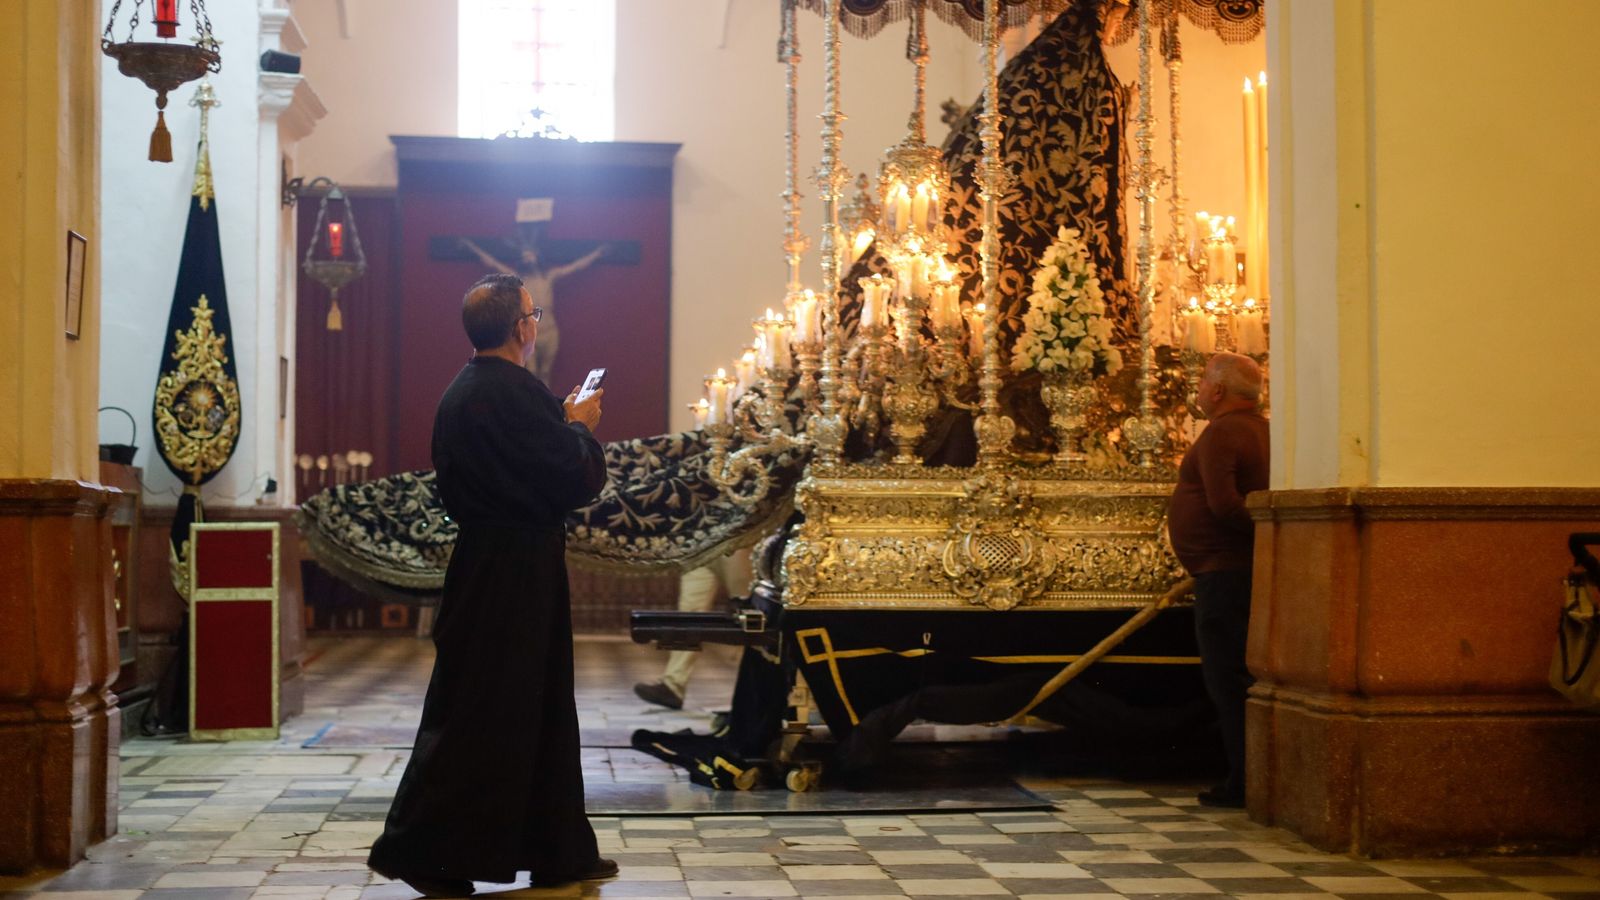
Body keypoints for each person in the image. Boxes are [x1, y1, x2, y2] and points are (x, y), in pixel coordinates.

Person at [367, 273, 616, 897]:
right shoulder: (516, 393)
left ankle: (558, 851)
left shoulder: (464, 391)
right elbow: (574, 477)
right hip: (519, 572)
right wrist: (581, 426)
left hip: (484, 564)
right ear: (522, 328)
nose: (537, 321)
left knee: (516, 708)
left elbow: (511, 459)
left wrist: (556, 420)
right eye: (535, 312)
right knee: (491, 711)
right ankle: (425, 853)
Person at [1166, 351, 1269, 809]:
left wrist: (1267, 533)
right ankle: (1248, 777)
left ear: (1220, 391)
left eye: (1205, 380)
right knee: (1235, 677)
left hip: (1223, 575)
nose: (1201, 387)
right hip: (1233, 569)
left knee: (1228, 680)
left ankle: (1243, 783)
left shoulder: (1223, 432)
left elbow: (1226, 504)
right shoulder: (1262, 428)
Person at [460, 229, 609, 385]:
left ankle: (545, 404)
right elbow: (492, 263)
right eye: (525, 256)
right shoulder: (518, 280)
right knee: (529, 372)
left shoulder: (549, 276)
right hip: (528, 331)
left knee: (545, 372)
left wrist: (597, 254)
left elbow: (575, 267)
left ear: (537, 257)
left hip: (550, 331)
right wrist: (472, 248)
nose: (528, 258)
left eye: (530, 254)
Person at [634, 551, 752, 710]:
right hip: (702, 547)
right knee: (689, 615)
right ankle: (673, 685)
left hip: (735, 544)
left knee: (749, 613)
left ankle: (756, 690)